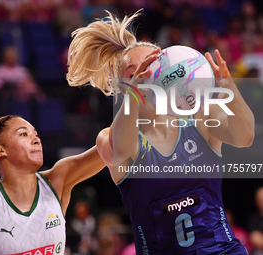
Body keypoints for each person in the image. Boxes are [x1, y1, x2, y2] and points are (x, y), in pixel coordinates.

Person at [67, 11, 255, 255]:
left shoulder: (199, 117)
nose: (146, 76)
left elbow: (245, 137)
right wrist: (135, 93)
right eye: (134, 74)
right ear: (123, 87)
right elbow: (122, 148)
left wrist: (231, 90)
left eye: (152, 68)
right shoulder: (110, 138)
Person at [0, 115, 107, 255]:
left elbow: (112, 145)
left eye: (36, 134)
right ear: (0, 150)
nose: (37, 139)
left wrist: (128, 88)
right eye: (24, 134)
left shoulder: (57, 181)